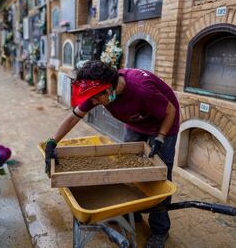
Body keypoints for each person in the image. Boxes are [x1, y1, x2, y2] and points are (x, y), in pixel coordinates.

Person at [45, 60, 180, 248]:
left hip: (164, 122)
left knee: (160, 174)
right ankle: (134, 210)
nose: (93, 103)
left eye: (96, 99)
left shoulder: (142, 90)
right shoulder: (98, 91)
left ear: (109, 89)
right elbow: (74, 117)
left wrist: (160, 138)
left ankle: (160, 230)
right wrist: (52, 142)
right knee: (127, 163)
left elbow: (170, 111)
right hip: (136, 122)